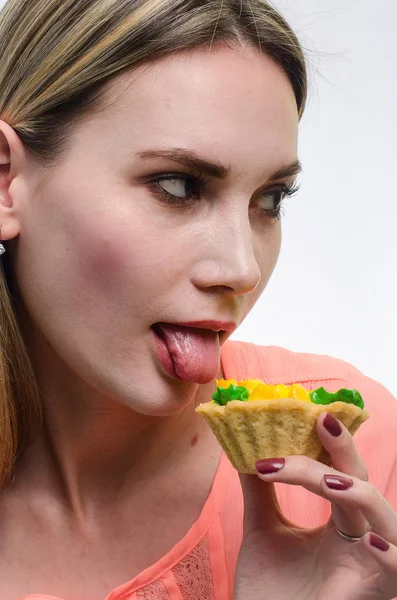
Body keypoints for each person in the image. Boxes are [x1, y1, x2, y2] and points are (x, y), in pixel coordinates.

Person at [0, 0, 395, 598]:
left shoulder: (353, 459)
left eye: (270, 199)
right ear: (6, 181)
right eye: (179, 186)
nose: (241, 269)